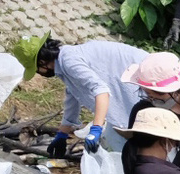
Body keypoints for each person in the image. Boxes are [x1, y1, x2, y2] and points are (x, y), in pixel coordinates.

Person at [11, 36, 147, 157]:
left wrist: (96, 129)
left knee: (137, 140)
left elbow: (101, 90)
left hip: (144, 79)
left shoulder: (69, 61)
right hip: (132, 84)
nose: (39, 73)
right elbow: (73, 96)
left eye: (36, 70)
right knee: (117, 140)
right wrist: (62, 134)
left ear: (41, 62)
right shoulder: (64, 60)